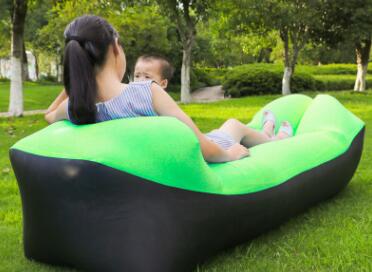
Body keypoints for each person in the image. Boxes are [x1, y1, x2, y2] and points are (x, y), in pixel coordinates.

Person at [45, 15, 292, 163]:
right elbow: (200, 145)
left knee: (231, 128)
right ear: (115, 48)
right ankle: (275, 138)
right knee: (233, 126)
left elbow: (48, 114)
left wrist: (76, 82)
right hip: (204, 155)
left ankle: (268, 131)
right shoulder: (146, 93)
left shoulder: (77, 108)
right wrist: (229, 156)